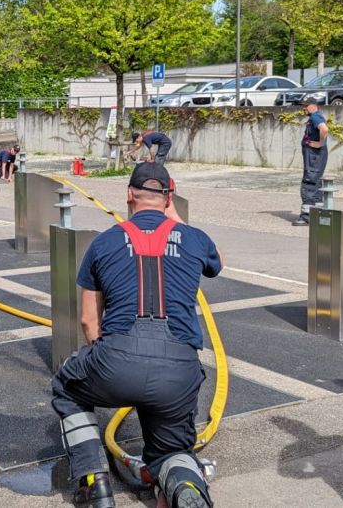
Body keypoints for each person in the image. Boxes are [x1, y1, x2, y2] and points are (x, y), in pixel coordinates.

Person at [51, 162, 222, 508]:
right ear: (168, 197)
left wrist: (113, 363)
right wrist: (172, 214)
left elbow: (88, 321)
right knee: (171, 448)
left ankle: (94, 482)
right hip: (179, 370)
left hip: (117, 360)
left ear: (129, 194)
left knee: (66, 388)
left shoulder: (103, 243)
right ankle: (185, 483)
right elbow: (215, 264)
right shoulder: (195, 239)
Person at [293, 95, 328, 226]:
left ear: (314, 106)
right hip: (315, 156)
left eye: (306, 105)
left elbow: (324, 129)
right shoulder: (316, 116)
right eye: (303, 105)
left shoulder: (315, 117)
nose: (304, 108)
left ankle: (307, 217)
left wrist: (320, 143)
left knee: (309, 183)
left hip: (314, 156)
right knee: (316, 183)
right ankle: (317, 215)